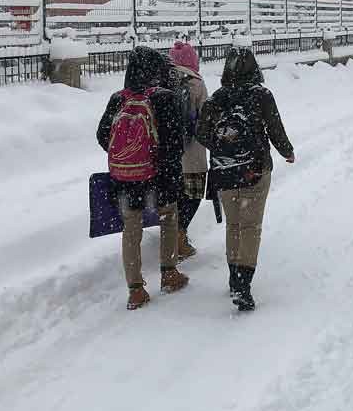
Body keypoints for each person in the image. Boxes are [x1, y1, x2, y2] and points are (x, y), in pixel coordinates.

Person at [196, 46, 295, 312]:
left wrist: (222, 145)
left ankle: (233, 277)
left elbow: (200, 133)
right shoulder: (261, 95)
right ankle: (243, 284)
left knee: (234, 225)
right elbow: (275, 128)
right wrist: (287, 151)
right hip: (254, 169)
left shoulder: (216, 98)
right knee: (250, 227)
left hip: (224, 171)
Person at [97, 46, 189, 311]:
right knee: (168, 218)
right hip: (160, 176)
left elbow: (103, 135)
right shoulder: (164, 98)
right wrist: (159, 162)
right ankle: (169, 273)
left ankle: (135, 289)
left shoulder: (118, 98)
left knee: (131, 228)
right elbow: (175, 142)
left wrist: (129, 154)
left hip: (125, 178)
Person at [169, 41, 210, 260]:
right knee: (192, 196)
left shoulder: (160, 80)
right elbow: (207, 117)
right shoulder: (196, 83)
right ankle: (179, 236)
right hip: (192, 154)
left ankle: (171, 236)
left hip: (167, 154)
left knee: (171, 197)